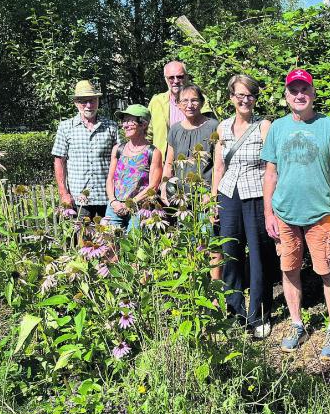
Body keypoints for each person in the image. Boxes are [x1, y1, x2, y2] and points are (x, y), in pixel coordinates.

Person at [260, 69, 330, 360]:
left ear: (312, 93)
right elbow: (270, 173)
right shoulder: (277, 128)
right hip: (285, 213)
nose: (299, 95)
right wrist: (268, 212)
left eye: (304, 90)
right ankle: (297, 324)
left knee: (327, 271)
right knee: (289, 269)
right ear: (286, 96)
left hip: (321, 212)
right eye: (293, 90)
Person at [212, 75, 276, 338]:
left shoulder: (264, 126)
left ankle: (259, 314)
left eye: (249, 95)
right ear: (231, 98)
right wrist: (213, 198)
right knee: (230, 253)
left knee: (259, 255)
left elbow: (272, 167)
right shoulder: (223, 127)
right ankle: (234, 309)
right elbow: (219, 166)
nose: (244, 99)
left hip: (256, 195)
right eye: (239, 95)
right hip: (228, 195)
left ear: (255, 98)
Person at [160, 83, 221, 280]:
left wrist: (212, 197)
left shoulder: (213, 126)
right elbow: (169, 162)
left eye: (194, 100)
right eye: (184, 100)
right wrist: (163, 185)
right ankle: (195, 281)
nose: (190, 104)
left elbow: (219, 164)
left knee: (210, 241)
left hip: (204, 195)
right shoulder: (175, 130)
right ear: (178, 104)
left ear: (202, 103)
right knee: (188, 240)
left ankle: (214, 286)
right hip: (182, 198)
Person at [52, 80, 118, 218]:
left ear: (98, 101)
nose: (89, 105)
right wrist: (64, 193)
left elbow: (120, 160)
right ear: (76, 103)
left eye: (92, 100)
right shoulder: (65, 127)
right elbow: (59, 161)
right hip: (79, 199)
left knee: (108, 238)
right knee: (82, 238)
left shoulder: (111, 127)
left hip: (107, 197)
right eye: (83, 101)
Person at [105, 104, 162, 231]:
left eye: (130, 121)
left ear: (143, 124)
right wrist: (113, 201)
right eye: (124, 121)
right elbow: (110, 179)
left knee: (133, 245)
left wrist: (131, 203)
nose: (125, 125)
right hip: (115, 206)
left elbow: (153, 186)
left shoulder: (153, 152)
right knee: (109, 244)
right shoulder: (118, 149)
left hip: (139, 208)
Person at [148, 61, 211, 156]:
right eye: (171, 78)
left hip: (195, 160)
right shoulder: (156, 102)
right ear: (166, 79)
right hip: (163, 162)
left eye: (180, 77)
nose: (176, 81)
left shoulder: (201, 100)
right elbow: (147, 135)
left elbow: (212, 130)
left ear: (187, 77)